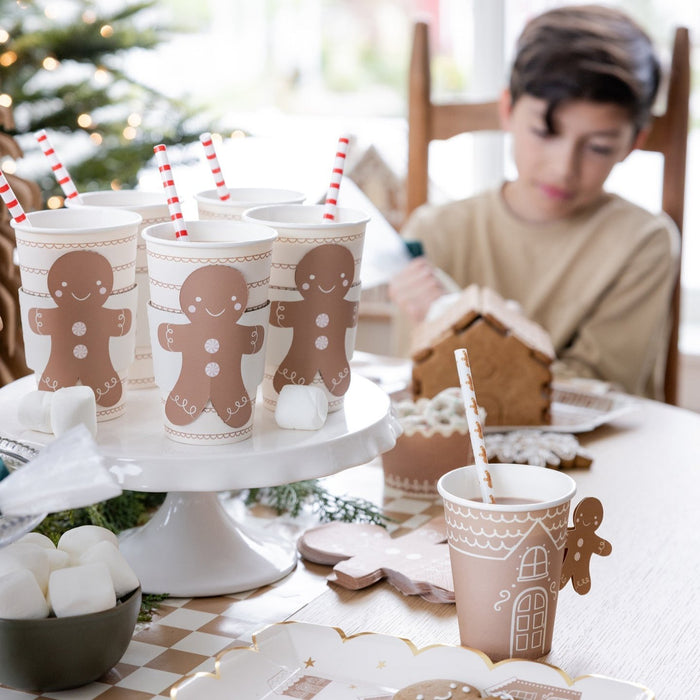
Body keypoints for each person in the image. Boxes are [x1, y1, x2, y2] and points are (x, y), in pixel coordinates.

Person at [389, 4, 680, 399]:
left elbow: (600, 395)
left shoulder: (644, 241)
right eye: (544, 132)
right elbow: (423, 393)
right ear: (507, 109)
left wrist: (458, 327)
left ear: (634, 143)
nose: (564, 168)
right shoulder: (434, 233)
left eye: (598, 147)